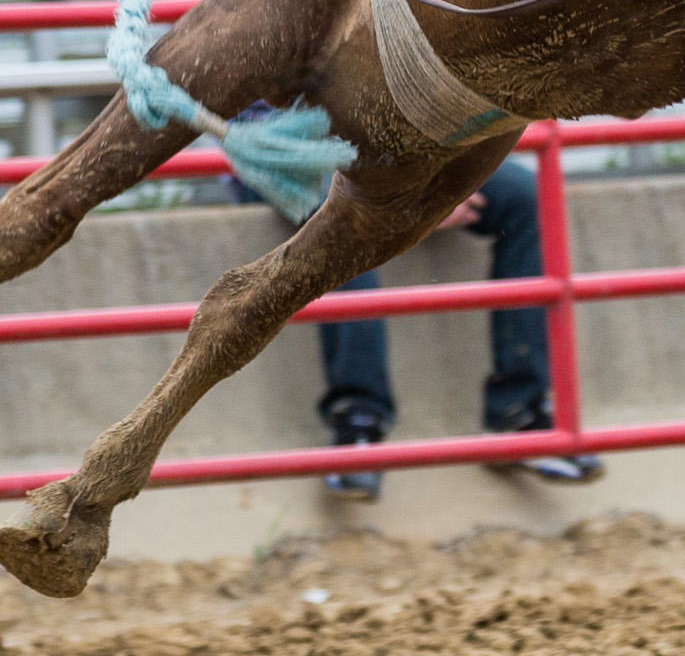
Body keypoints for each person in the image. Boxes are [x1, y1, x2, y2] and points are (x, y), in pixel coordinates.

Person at [231, 150, 604, 498]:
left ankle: (517, 412)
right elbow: (256, 123)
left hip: (392, 148)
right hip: (293, 153)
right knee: (346, 212)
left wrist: (433, 182)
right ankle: (358, 422)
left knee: (527, 196)